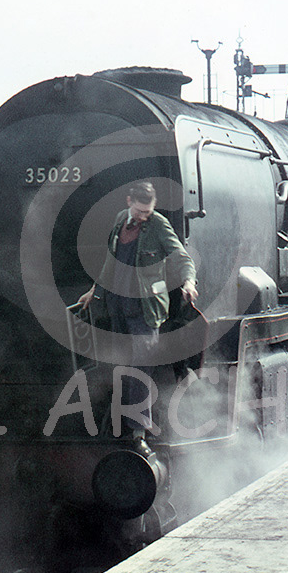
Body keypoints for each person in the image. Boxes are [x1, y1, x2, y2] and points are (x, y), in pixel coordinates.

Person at [78, 181, 198, 436]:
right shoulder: (121, 219)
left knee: (142, 365)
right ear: (129, 202)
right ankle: (118, 422)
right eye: (141, 211)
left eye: (149, 211)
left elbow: (180, 256)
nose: (145, 217)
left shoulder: (158, 224)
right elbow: (111, 261)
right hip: (118, 305)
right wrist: (94, 291)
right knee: (122, 365)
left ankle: (138, 431)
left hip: (146, 308)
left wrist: (189, 281)